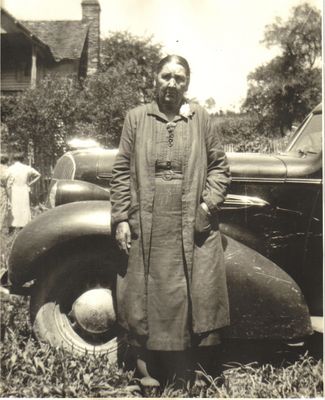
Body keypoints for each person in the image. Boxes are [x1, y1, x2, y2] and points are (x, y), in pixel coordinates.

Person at [110, 55, 231, 391]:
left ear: (187, 84)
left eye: (179, 78)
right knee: (144, 297)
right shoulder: (136, 118)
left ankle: (184, 376)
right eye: (166, 76)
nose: (172, 84)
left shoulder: (202, 119)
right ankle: (146, 375)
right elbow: (121, 173)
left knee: (187, 295)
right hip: (146, 223)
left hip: (191, 224)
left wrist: (207, 206)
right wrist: (121, 217)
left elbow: (220, 168)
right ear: (155, 79)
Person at [7, 153, 41, 233]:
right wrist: (30, 183)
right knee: (24, 207)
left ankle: (12, 228)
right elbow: (38, 175)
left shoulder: (10, 168)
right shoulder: (27, 168)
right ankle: (23, 227)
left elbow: (6, 180)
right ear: (22, 160)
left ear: (14, 159)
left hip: (14, 189)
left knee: (14, 208)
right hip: (24, 189)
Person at [0, 154, 10, 232]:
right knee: (2, 208)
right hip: (2, 189)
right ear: (7, 161)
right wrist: (9, 195)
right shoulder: (7, 169)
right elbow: (7, 183)